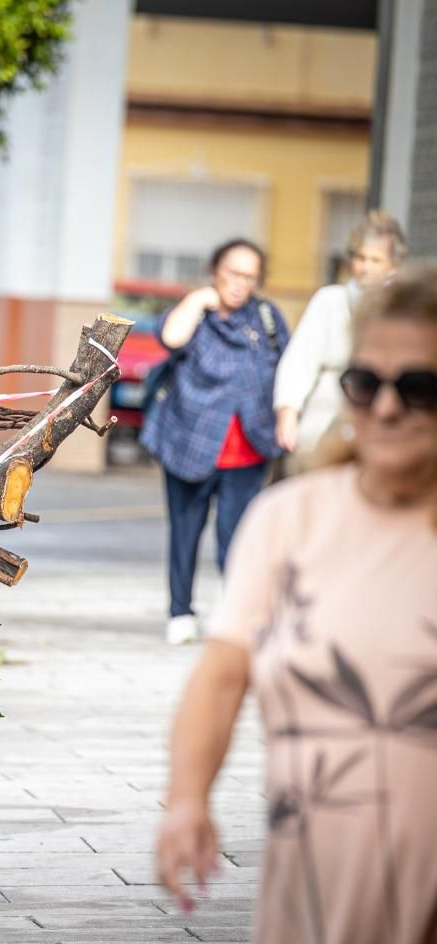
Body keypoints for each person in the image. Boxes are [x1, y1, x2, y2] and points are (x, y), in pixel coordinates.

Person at [155, 270, 437, 944]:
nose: (385, 407)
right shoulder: (293, 518)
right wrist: (186, 801)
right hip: (311, 895)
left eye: (417, 387)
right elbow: (222, 674)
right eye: (366, 383)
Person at [142, 239, 290, 645]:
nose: (240, 284)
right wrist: (199, 300)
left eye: (250, 276)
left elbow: (287, 366)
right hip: (188, 441)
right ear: (215, 270)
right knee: (185, 532)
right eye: (232, 273)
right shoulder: (195, 313)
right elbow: (171, 338)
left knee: (238, 538)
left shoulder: (265, 316)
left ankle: (237, 613)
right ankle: (180, 612)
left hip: (249, 446)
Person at [274, 210, 407, 467]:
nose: (365, 267)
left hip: (378, 418)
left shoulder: (402, 306)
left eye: (375, 260)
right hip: (322, 420)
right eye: (360, 258)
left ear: (394, 264)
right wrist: (287, 414)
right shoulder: (329, 300)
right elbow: (299, 361)